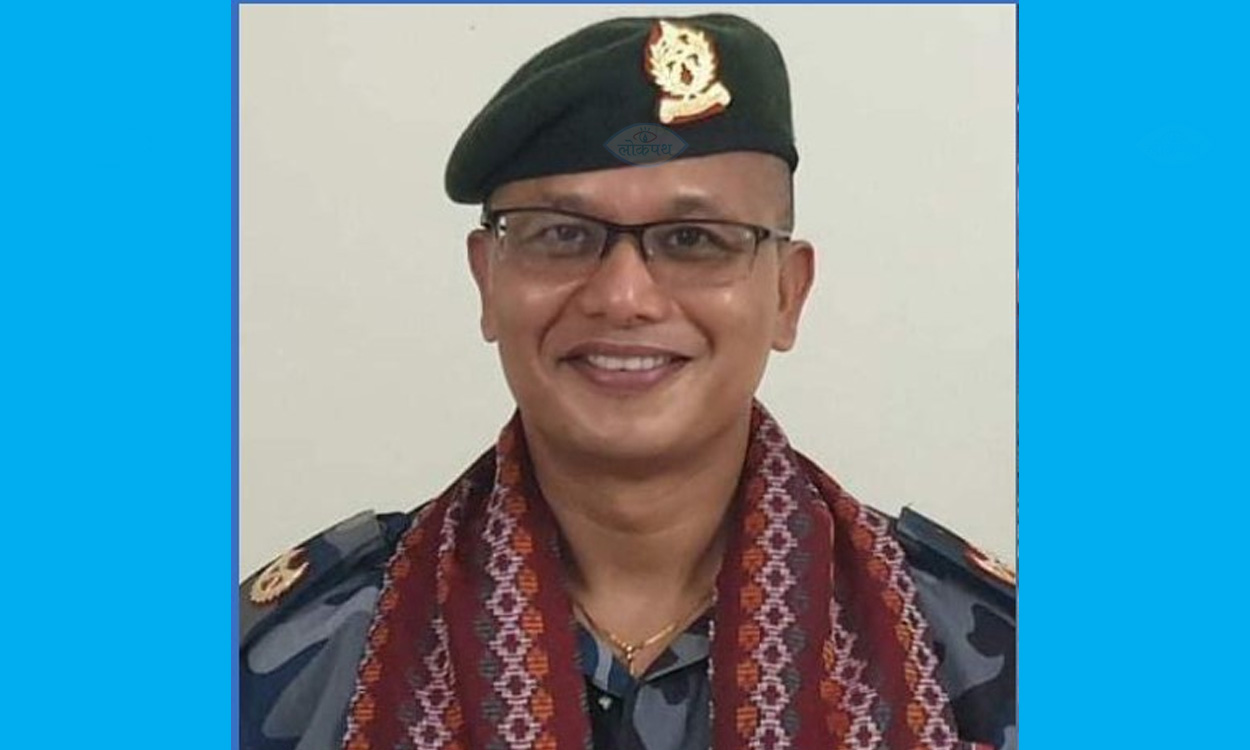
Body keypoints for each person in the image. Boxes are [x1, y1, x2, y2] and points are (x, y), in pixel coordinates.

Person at [239, 12, 1015, 750]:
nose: (623, 297)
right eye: (562, 235)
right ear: (488, 281)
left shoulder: (990, 657)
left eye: (693, 239)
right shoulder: (287, 659)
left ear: (787, 294)